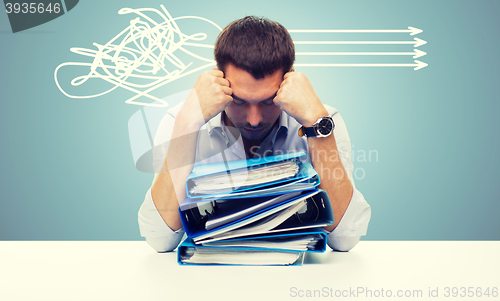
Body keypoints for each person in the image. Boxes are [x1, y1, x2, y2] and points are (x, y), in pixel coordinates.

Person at [138, 16, 371, 252]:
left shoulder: (322, 121)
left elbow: (345, 238)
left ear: (290, 80)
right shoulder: (183, 120)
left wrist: (316, 125)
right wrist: (187, 125)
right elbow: (159, 239)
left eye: (269, 101)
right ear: (218, 80)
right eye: (238, 101)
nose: (254, 119)